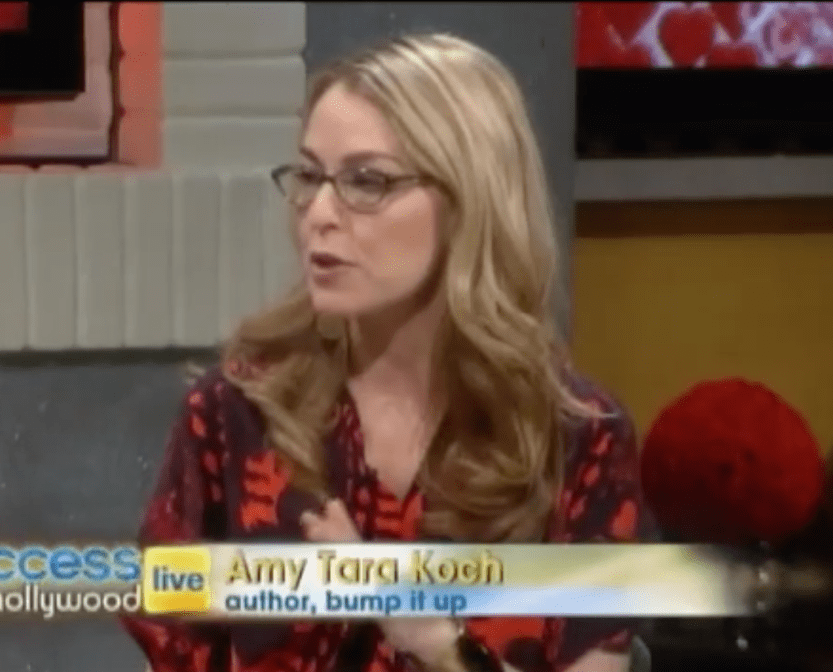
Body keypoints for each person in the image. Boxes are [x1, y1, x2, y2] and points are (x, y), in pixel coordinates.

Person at [121, 32, 656, 672]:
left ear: (467, 203)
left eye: (365, 181)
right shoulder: (234, 416)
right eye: (310, 176)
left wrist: (436, 643)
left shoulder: (575, 441)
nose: (318, 212)